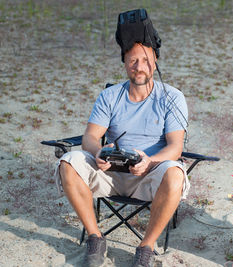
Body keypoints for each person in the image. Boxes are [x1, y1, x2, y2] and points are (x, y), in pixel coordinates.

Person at [55, 9, 188, 267]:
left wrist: (149, 161)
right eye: (132, 60)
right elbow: (91, 137)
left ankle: (146, 247)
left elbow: (175, 146)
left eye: (145, 60)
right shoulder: (110, 96)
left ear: (156, 60)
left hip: (151, 174)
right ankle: (95, 238)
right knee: (68, 162)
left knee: (175, 173)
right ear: (124, 62)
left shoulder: (172, 97)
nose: (139, 67)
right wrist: (98, 152)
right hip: (112, 172)